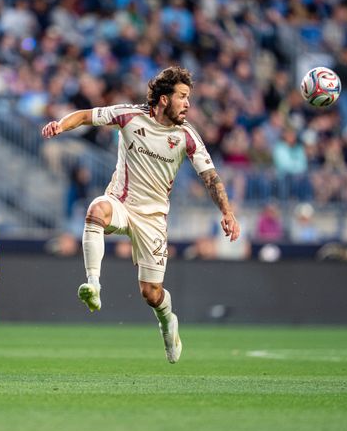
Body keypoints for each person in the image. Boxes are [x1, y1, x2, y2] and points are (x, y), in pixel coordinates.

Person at [41, 66, 240, 363]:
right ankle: (93, 286)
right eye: (182, 97)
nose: (188, 104)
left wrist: (227, 212)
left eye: (189, 98)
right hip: (121, 203)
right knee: (96, 209)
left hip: (153, 220)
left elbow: (210, 177)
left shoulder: (187, 136)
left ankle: (167, 321)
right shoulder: (128, 116)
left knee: (151, 293)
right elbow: (85, 115)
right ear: (163, 99)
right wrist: (60, 124)